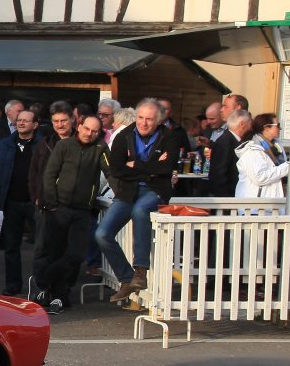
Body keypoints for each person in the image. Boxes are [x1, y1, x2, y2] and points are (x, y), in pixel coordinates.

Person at [98, 98, 184, 303]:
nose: (144, 123)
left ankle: (140, 271)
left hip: (155, 190)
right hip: (127, 190)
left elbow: (167, 168)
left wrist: (135, 164)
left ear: (159, 120)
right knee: (102, 234)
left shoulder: (170, 137)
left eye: (149, 119)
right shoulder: (124, 135)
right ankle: (127, 278)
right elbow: (117, 170)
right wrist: (150, 171)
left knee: (140, 210)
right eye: (140, 118)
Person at [32, 115, 106, 314]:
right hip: (59, 208)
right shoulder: (64, 146)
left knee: (75, 255)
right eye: (87, 129)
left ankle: (52, 286)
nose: (89, 134)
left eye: (94, 131)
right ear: (79, 126)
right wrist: (52, 204)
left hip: (82, 211)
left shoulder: (100, 148)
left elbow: (111, 171)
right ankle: (52, 293)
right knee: (53, 251)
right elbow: (50, 174)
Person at [0, 107, 39, 296]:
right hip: (11, 201)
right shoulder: (6, 143)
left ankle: (40, 286)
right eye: (19, 120)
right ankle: (12, 285)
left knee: (40, 247)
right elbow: (0, 170)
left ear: (35, 125)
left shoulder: (42, 144)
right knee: (11, 247)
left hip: (35, 202)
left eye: (26, 120)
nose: (21, 123)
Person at [235, 114, 289, 198]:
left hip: (270, 202)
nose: (280, 128)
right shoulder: (253, 150)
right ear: (266, 127)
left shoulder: (277, 148)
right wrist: (287, 167)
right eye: (277, 125)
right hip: (254, 203)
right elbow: (259, 178)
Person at [209, 108, 252, 196]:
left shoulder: (235, 140)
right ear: (242, 124)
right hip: (227, 195)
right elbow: (219, 173)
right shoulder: (225, 142)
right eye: (250, 123)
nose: (251, 127)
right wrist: (225, 199)